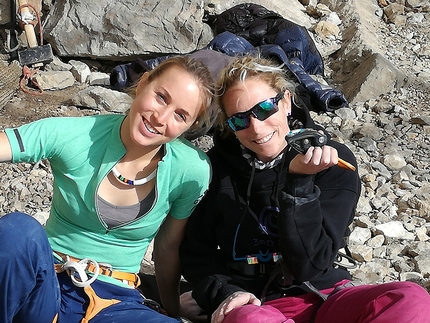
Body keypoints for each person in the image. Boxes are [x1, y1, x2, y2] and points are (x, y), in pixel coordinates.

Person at [179, 55, 430, 323]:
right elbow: (196, 253)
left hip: (325, 294)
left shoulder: (331, 159)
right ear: (229, 125)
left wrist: (299, 184)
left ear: (286, 101)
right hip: (254, 302)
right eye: (239, 120)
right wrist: (223, 293)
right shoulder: (214, 168)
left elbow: (310, 265)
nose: (256, 127)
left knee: (410, 299)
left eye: (264, 109)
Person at [0, 56, 215, 323]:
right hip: (45, 285)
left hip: (116, 302)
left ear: (191, 126)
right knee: (19, 230)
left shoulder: (191, 170)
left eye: (180, 115)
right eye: (161, 97)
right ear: (143, 83)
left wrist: (172, 308)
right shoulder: (77, 135)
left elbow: (168, 245)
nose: (160, 118)